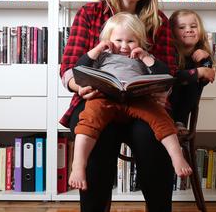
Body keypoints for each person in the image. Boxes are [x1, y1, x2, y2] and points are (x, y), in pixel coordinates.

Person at [59, 0, 178, 211]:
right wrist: (78, 85)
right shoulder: (90, 13)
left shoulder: (159, 20)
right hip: (97, 99)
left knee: (152, 137)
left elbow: (170, 69)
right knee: (97, 135)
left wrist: (162, 90)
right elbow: (69, 66)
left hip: (144, 103)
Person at [68, 13, 192, 191]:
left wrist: (145, 57)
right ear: (108, 40)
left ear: (140, 41)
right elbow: (79, 68)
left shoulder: (142, 58)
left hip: (137, 100)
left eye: (131, 41)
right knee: (88, 121)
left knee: (161, 118)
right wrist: (97, 49)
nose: (124, 46)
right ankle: (79, 165)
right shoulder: (102, 57)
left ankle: (177, 157)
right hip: (105, 99)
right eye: (118, 40)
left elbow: (164, 73)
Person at [168, 10, 216, 128]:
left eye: (193, 26)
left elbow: (206, 77)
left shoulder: (203, 55)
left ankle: (179, 123)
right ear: (172, 32)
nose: (189, 29)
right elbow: (173, 77)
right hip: (167, 101)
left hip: (184, 107)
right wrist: (198, 72)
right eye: (181, 27)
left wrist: (206, 60)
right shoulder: (170, 53)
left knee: (193, 82)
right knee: (188, 77)